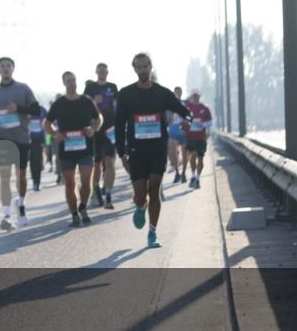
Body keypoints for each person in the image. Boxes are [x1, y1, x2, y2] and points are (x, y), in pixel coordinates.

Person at [114, 53, 191, 249]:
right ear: (134, 69)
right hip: (136, 150)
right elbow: (118, 124)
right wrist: (121, 153)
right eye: (139, 67)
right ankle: (140, 206)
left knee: (154, 189)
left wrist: (188, 122)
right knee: (140, 194)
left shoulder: (163, 93)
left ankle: (152, 232)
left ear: (150, 67)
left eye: (145, 66)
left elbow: (183, 111)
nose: (142, 70)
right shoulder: (125, 94)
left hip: (157, 148)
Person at [0, 57, 41, 230]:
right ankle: (7, 214)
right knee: (4, 177)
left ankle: (21, 205)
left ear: (13, 68)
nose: (5, 68)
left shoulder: (23, 89)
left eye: (8, 65)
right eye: (2, 66)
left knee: (21, 177)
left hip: (21, 139)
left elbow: (36, 110)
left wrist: (18, 109)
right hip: (2, 139)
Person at [45, 72, 102, 227]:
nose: (72, 83)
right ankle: (74, 214)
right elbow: (46, 123)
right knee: (70, 184)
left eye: (74, 80)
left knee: (85, 182)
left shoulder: (86, 101)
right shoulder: (59, 104)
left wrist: (93, 128)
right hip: (66, 150)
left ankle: (83, 206)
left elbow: (98, 118)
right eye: (68, 81)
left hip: (85, 148)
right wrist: (55, 133)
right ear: (64, 83)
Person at [84, 62, 119, 209]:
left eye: (104, 71)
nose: (102, 73)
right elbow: (83, 106)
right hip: (95, 130)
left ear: (107, 72)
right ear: (96, 72)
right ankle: (95, 190)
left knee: (110, 162)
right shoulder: (91, 87)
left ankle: (109, 195)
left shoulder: (113, 87)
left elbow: (118, 106)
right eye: (100, 71)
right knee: (96, 164)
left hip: (110, 130)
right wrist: (94, 101)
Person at [184, 89, 214, 189]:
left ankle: (197, 178)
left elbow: (209, 123)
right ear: (191, 96)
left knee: (200, 159)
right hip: (190, 136)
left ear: (200, 96)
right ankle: (193, 175)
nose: (195, 97)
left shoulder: (205, 108)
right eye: (194, 95)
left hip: (201, 137)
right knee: (192, 156)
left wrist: (203, 125)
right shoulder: (187, 107)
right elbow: (181, 118)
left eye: (197, 95)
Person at [166, 86, 189, 184]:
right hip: (173, 130)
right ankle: (177, 172)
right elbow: (167, 120)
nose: (177, 94)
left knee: (184, 153)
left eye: (179, 93)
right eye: (176, 93)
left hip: (183, 131)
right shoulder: (169, 106)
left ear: (181, 93)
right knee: (172, 151)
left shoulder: (185, 104)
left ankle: (183, 173)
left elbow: (189, 118)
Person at [28, 103, 48, 191]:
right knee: (32, 160)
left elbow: (48, 121)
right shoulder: (24, 109)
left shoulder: (42, 109)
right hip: (27, 138)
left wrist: (42, 122)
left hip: (39, 138)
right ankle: (34, 180)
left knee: (37, 159)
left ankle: (37, 182)